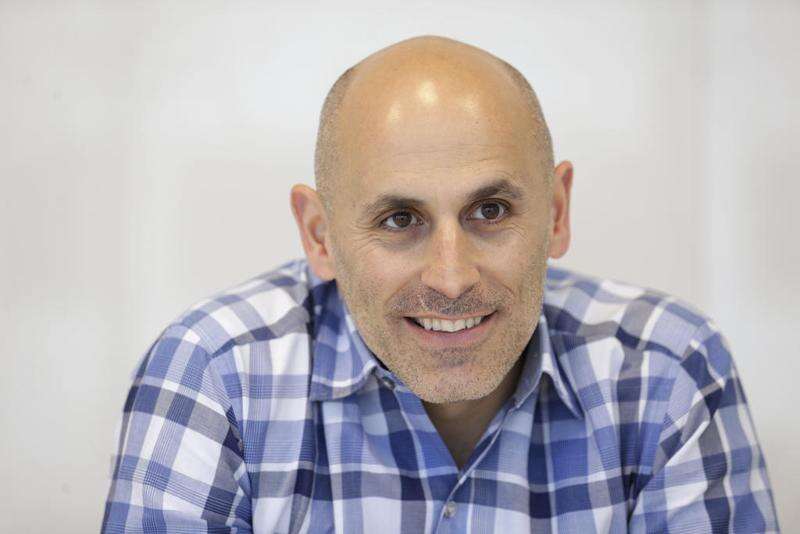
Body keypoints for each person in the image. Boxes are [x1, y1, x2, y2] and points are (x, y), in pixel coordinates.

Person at [101, 35, 780, 533]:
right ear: (320, 235)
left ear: (556, 213)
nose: (451, 279)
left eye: (491, 211)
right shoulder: (215, 375)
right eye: (399, 220)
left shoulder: (666, 371)